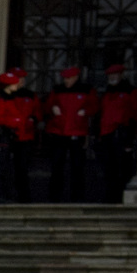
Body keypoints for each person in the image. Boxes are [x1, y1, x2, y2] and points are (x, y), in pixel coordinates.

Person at [40, 66, 94, 202]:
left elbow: (94, 107)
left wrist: (85, 112)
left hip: (77, 131)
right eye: (65, 78)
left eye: (68, 78)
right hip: (59, 131)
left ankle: (77, 196)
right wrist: (52, 109)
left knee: (77, 166)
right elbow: (47, 106)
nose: (66, 81)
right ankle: (55, 196)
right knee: (57, 165)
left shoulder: (87, 90)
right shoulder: (57, 90)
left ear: (75, 78)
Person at [0, 73, 38, 204]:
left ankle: (1, 194)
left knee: (4, 166)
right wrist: (16, 121)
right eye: (14, 83)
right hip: (2, 136)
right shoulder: (1, 99)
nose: (17, 84)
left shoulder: (8, 98)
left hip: (9, 136)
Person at [96, 61, 137, 197]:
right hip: (107, 134)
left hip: (121, 133)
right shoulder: (107, 93)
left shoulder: (131, 92)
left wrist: (130, 138)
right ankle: (111, 194)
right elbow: (101, 113)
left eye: (114, 75)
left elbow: (135, 114)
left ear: (121, 75)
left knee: (123, 167)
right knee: (109, 167)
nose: (112, 78)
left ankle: (120, 194)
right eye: (110, 75)